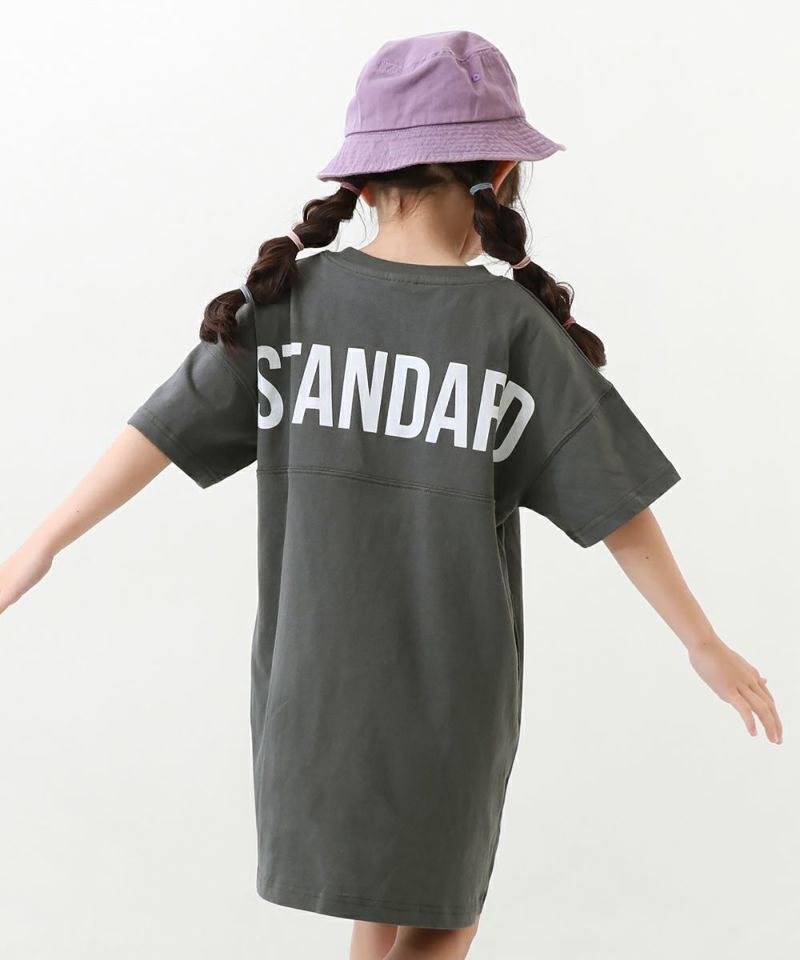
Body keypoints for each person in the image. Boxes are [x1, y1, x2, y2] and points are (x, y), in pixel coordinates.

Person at [0, 28, 783, 960]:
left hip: (310, 696)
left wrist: (41, 542)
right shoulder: (509, 327)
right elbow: (620, 508)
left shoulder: (289, 304)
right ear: (502, 171)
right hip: (449, 696)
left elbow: (157, 432)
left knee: (382, 911)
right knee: (445, 918)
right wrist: (701, 641)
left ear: (364, 181)